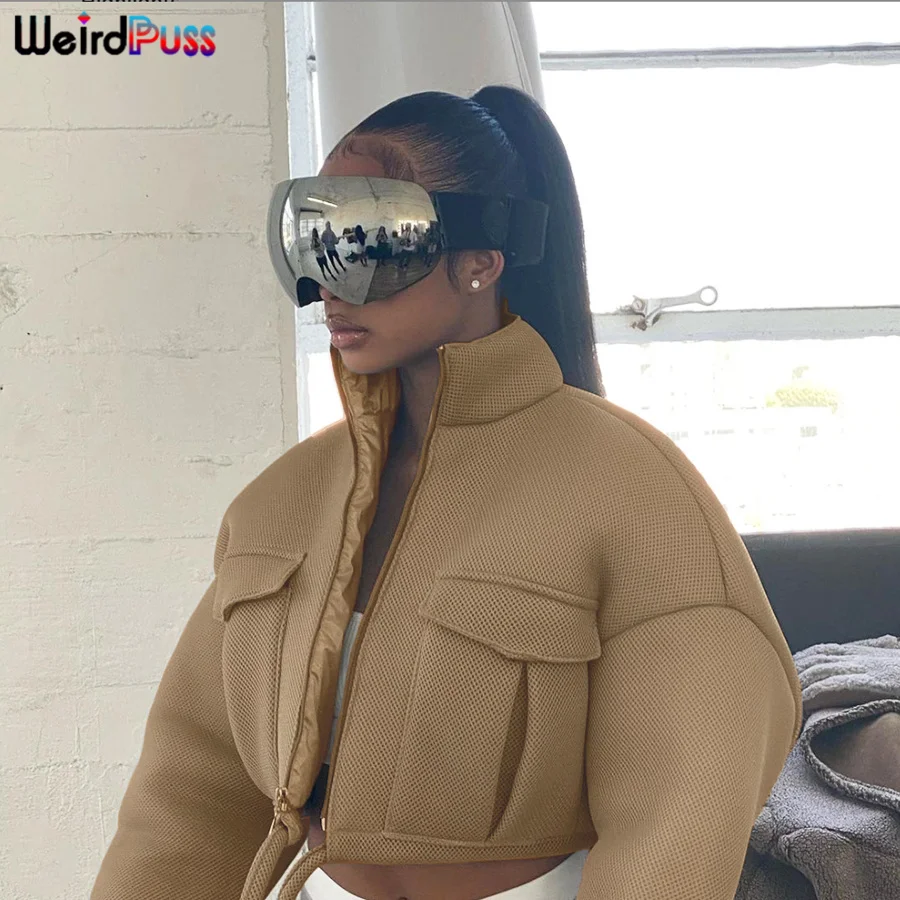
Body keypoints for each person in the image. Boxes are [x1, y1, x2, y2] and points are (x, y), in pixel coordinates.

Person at [90, 86, 803, 900]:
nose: (334, 287)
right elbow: (189, 795)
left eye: (373, 242)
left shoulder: (632, 493)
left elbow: (682, 805)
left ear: (480, 260)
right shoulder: (281, 504)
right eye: (317, 243)